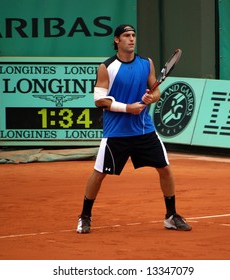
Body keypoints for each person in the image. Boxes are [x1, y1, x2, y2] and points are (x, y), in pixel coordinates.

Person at [76, 24, 191, 233]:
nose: (131, 39)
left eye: (133, 35)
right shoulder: (106, 67)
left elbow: (156, 92)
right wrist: (127, 108)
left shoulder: (146, 63)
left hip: (144, 130)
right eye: (126, 36)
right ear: (117, 40)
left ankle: (171, 215)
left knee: (164, 168)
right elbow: (99, 100)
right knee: (99, 173)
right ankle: (85, 216)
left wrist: (150, 98)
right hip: (116, 132)